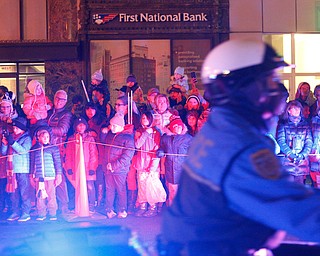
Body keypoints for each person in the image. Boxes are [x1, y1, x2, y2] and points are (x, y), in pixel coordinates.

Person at [159, 39, 320, 255]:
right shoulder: (241, 146)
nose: (276, 90)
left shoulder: (221, 129)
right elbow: (296, 210)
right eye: (267, 81)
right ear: (236, 88)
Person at [103, 113, 135, 219]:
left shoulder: (128, 138)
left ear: (121, 126)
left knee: (121, 189)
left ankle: (122, 209)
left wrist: (114, 165)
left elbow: (127, 156)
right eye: (111, 125)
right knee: (109, 189)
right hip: (108, 167)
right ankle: (109, 209)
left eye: (114, 125)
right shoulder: (110, 135)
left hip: (120, 169)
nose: (112, 127)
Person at [65, 117, 98, 213]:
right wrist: (69, 167)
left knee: (90, 186)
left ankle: (91, 205)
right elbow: (69, 154)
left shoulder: (90, 138)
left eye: (83, 125)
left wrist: (92, 167)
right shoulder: (71, 139)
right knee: (77, 186)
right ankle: (79, 205)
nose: (81, 126)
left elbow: (93, 154)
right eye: (79, 125)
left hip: (88, 167)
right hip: (76, 166)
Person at [1, 117, 32, 222]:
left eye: (17, 128)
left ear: (22, 129)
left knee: (24, 191)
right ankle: (15, 212)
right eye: (14, 128)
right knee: (13, 192)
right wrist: (5, 144)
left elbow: (23, 151)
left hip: (22, 169)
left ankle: (26, 212)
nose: (14, 130)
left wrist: (12, 143)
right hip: (11, 170)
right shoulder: (12, 137)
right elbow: (4, 153)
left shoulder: (27, 138)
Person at [47, 90, 72, 214]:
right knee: (46, 176)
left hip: (58, 149)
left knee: (59, 176)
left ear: (66, 101)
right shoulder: (49, 111)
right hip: (46, 148)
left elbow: (62, 130)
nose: (59, 101)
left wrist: (45, 130)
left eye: (62, 99)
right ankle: (48, 205)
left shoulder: (66, 114)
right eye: (57, 98)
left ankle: (64, 205)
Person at [158, 116, 192, 206]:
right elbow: (162, 148)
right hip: (170, 168)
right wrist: (160, 152)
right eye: (175, 126)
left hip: (183, 169)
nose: (177, 128)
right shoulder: (165, 138)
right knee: (172, 190)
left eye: (179, 126)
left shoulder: (188, 138)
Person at [276, 100, 313, 185]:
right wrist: (290, 154)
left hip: (301, 162)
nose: (297, 110)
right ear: (288, 110)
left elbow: (309, 142)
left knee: (299, 188)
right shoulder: (283, 124)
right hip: (287, 161)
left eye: (298, 109)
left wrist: (303, 155)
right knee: (287, 188)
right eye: (294, 109)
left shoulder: (306, 125)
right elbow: (281, 141)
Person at [30, 127, 62, 221]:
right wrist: (31, 176)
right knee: (40, 196)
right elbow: (32, 163)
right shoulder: (34, 149)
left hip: (50, 177)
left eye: (47, 137)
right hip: (39, 177)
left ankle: (52, 213)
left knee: (51, 195)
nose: (45, 138)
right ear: (38, 138)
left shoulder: (53, 148)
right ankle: (41, 214)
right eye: (43, 137)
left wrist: (58, 175)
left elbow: (57, 162)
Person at [134, 111, 161, 217]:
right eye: (143, 118)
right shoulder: (139, 131)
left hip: (152, 164)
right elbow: (137, 145)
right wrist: (146, 133)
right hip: (141, 163)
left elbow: (157, 148)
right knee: (142, 186)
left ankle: (152, 207)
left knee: (151, 186)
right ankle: (142, 206)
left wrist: (153, 166)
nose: (144, 119)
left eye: (146, 118)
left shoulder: (156, 133)